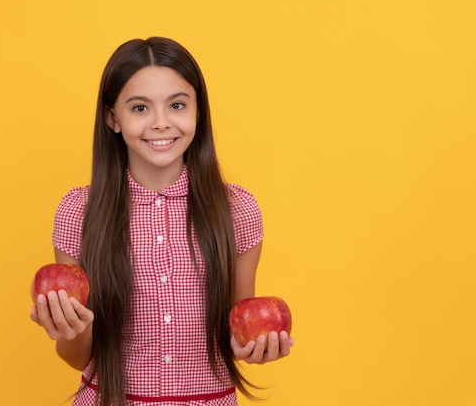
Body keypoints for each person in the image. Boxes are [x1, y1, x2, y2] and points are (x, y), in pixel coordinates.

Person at [30, 36, 294, 406]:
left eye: (177, 105)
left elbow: (239, 327)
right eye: (139, 108)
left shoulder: (237, 210)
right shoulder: (80, 212)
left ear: (198, 112)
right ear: (113, 118)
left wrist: (251, 346)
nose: (161, 122)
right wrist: (73, 329)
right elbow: (76, 357)